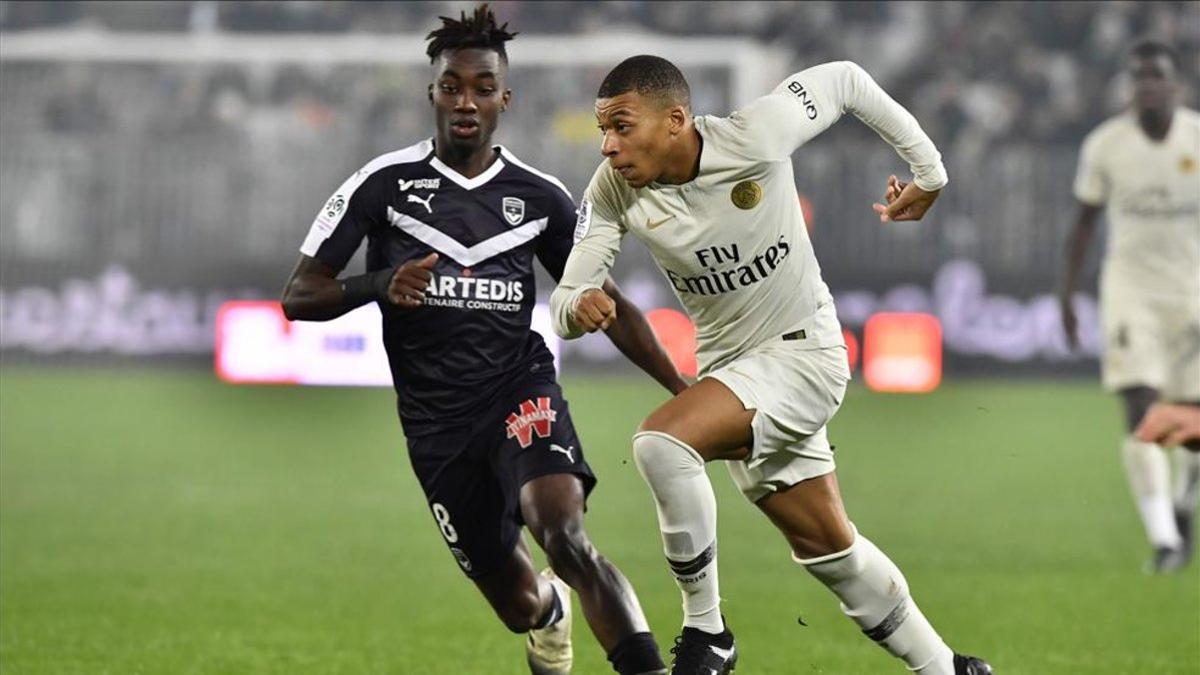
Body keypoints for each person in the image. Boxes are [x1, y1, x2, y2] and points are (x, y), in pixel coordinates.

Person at [550, 55, 992, 675]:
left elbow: (843, 80)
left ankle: (708, 632)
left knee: (659, 444)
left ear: (676, 120)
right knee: (831, 551)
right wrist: (582, 306)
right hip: (736, 377)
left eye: (622, 127)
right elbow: (566, 300)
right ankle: (947, 669)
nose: (608, 146)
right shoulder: (611, 191)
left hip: (804, 354)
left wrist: (930, 171)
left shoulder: (753, 135)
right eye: (604, 129)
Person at [281, 8, 685, 674]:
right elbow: (299, 295)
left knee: (566, 536)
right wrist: (379, 282)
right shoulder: (384, 186)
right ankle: (549, 616)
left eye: (481, 87)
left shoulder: (543, 198)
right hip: (437, 426)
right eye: (452, 86)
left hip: (518, 390)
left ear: (505, 98)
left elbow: (604, 302)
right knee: (520, 604)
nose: (466, 100)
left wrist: (682, 390)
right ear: (433, 94)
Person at [1059, 39, 1200, 574]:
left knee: (1190, 423)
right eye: (1138, 78)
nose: (1147, 86)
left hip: (1191, 292)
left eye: (1156, 77)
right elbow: (1083, 224)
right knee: (1141, 411)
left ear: (1175, 85)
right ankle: (1165, 541)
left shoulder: (1197, 139)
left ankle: (1182, 504)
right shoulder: (1105, 145)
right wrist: (1067, 295)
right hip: (1130, 293)